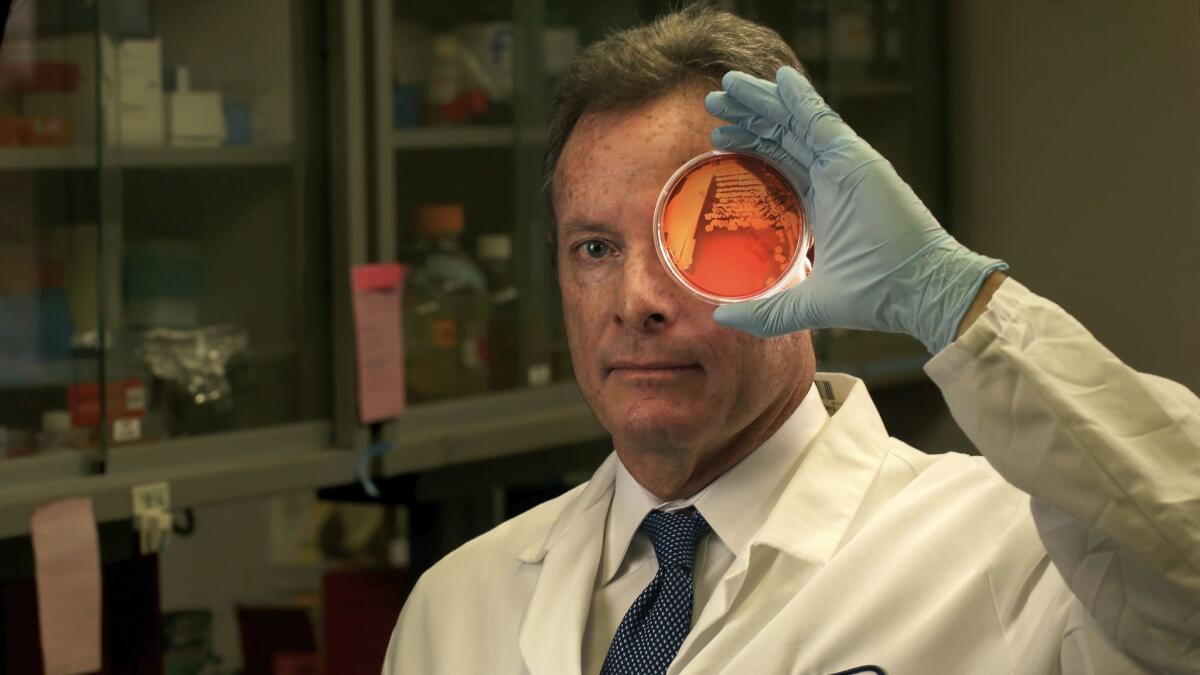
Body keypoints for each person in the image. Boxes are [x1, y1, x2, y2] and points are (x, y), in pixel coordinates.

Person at [383, 7, 1199, 674]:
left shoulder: (1019, 554)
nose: (637, 301)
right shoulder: (454, 611)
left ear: (808, 250)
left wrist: (950, 296)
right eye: (595, 248)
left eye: (699, 236)